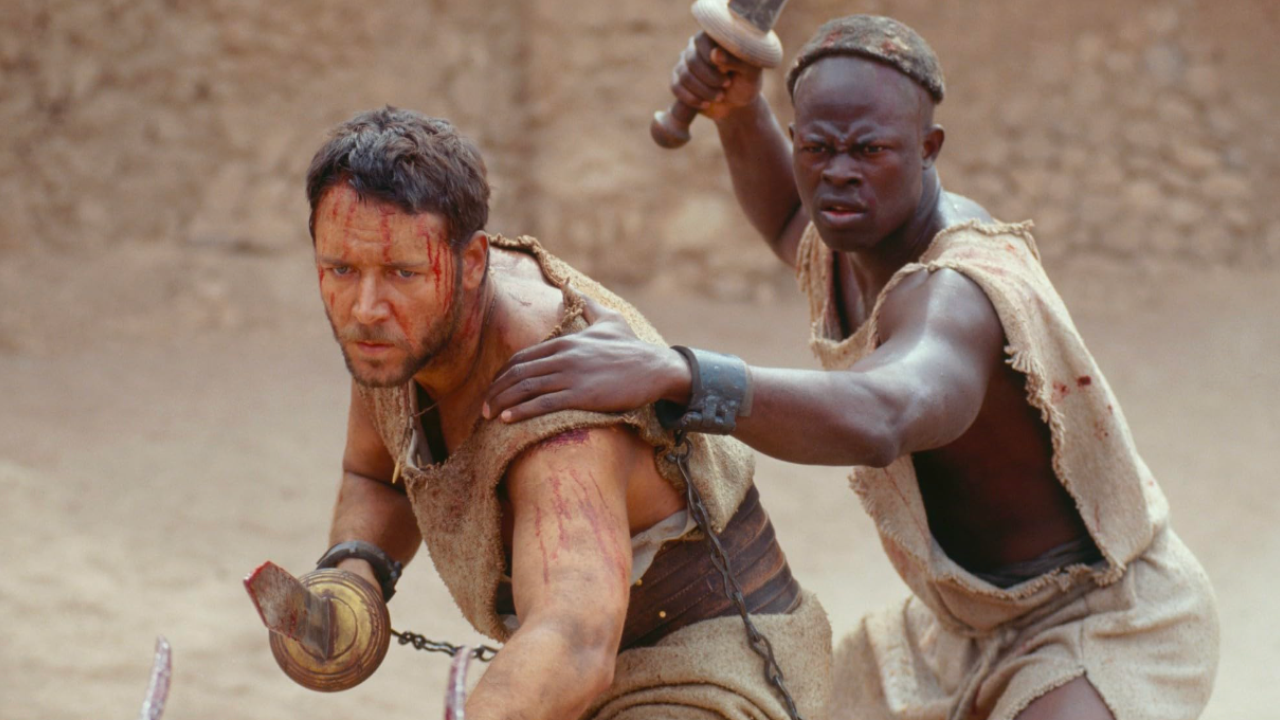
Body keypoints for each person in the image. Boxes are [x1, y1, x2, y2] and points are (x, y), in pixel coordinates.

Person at [482, 15, 1219, 720]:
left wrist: (680, 373)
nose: (839, 174)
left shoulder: (960, 290)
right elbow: (786, 218)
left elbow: (882, 415)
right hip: (951, 635)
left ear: (928, 147)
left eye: (869, 150)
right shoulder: (849, 244)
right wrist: (738, 112)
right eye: (817, 148)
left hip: (1099, 620)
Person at [298, 106, 831, 720]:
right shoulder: (398, 337)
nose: (365, 306)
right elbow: (377, 475)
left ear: (474, 263)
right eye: (341, 269)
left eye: (401, 272)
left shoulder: (556, 396)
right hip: (567, 682)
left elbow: (573, 641)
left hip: (714, 674)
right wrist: (355, 572)